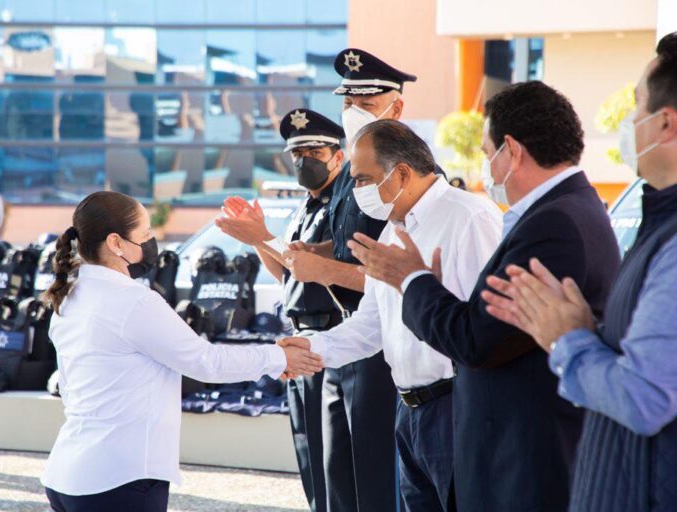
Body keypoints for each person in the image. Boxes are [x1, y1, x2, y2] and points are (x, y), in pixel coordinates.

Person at [350, 81, 621, 511]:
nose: (486, 170)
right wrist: (425, 287)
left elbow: (479, 341)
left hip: (525, 452)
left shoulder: (554, 224)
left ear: (511, 151)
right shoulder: (564, 211)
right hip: (504, 440)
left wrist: (414, 281)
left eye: (486, 153)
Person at [482, 32, 677, 512]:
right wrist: (590, 332)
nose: (630, 121)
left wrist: (568, 339)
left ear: (666, 122)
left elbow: (645, 398)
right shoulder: (659, 223)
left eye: (636, 106)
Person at [40, 191, 324, 512]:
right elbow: (206, 362)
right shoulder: (133, 301)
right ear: (117, 243)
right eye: (146, 235)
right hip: (119, 480)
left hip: (67, 476)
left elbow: (67, 385)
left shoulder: (70, 296)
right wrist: (280, 357)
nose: (152, 244)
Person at [279, 119, 502, 510]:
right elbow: (370, 327)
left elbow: (485, 327)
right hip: (409, 410)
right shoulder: (392, 230)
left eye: (363, 180)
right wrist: (309, 349)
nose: (357, 191)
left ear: (401, 173)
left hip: (456, 407)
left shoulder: (468, 217)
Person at [281, 48, 427, 512]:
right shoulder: (352, 177)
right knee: (337, 477)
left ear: (396, 108)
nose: (354, 111)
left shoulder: (405, 173)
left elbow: (396, 272)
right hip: (343, 338)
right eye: (349, 100)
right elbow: (352, 246)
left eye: (366, 102)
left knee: (375, 478)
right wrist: (317, 252)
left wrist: (323, 269)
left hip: (379, 344)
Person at [215, 108, 346, 512]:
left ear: (337, 156)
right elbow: (285, 272)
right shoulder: (304, 207)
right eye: (298, 153)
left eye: (314, 151)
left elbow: (308, 264)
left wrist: (264, 235)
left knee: (334, 457)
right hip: (299, 338)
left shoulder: (343, 203)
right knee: (308, 448)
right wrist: (258, 238)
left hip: (331, 337)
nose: (305, 160)